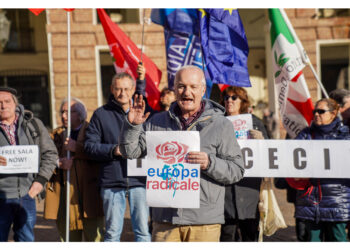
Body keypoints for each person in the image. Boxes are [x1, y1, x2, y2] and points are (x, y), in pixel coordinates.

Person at [119, 65, 245, 242]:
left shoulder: (221, 125)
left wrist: (210, 163)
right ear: (174, 89)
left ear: (203, 90)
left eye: (193, 87)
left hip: (204, 222)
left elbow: (237, 170)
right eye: (181, 86)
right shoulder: (157, 121)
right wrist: (132, 126)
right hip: (165, 220)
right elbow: (130, 152)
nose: (187, 92)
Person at [84, 66, 151, 242]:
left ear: (133, 89)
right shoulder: (100, 114)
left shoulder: (145, 112)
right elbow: (89, 147)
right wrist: (114, 150)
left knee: (143, 232)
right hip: (112, 182)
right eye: (118, 88)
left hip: (140, 181)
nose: (122, 93)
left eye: (127, 89)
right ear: (112, 89)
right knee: (112, 234)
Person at [0, 87, 57, 242]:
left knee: (26, 241)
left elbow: (50, 154)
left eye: (7, 101)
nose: (3, 106)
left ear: (15, 103)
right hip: (1, 197)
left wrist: (40, 182)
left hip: (26, 195)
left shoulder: (33, 124)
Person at [44, 97, 104, 242]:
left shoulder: (93, 131)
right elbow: (44, 157)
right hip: (64, 195)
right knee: (68, 239)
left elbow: (100, 153)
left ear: (81, 114)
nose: (64, 116)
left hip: (90, 195)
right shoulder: (55, 134)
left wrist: (76, 147)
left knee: (95, 237)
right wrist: (59, 163)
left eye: (69, 112)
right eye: (62, 112)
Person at [292, 98, 350, 241]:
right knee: (313, 242)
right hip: (310, 201)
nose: (316, 114)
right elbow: (292, 159)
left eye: (321, 111)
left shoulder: (344, 135)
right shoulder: (305, 135)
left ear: (333, 113)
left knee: (338, 241)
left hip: (337, 202)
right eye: (315, 111)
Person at [218, 86, 268, 242]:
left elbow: (268, 153)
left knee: (250, 234)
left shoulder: (255, 123)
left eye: (234, 98)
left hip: (248, 188)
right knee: (227, 234)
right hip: (225, 188)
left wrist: (261, 140)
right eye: (226, 98)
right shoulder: (217, 122)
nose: (229, 101)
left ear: (243, 102)